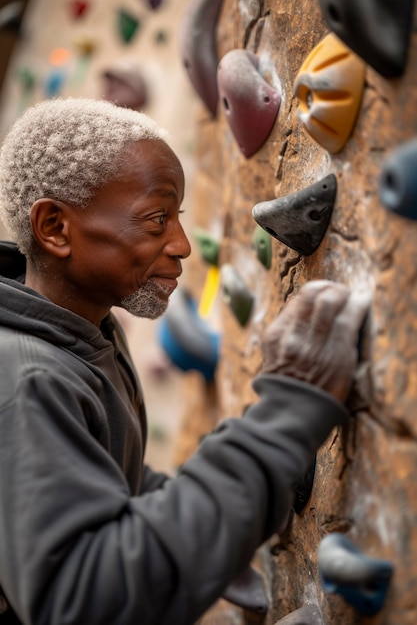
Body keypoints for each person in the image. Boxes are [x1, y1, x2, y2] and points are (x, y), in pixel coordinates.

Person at [0, 97, 370, 625]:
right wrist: (285, 415)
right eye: (156, 220)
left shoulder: (82, 333)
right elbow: (83, 601)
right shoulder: (25, 379)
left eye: (178, 218)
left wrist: (213, 525)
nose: (181, 245)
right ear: (56, 228)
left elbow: (110, 478)